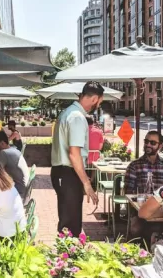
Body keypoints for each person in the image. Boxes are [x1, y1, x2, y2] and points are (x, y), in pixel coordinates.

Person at [51, 81, 104, 237]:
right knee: (70, 223)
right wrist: (86, 183)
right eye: (99, 102)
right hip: (67, 172)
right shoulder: (77, 117)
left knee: (68, 219)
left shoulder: (69, 112)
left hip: (63, 172)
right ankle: (67, 257)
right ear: (94, 99)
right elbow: (74, 154)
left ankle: (66, 256)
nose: (98, 106)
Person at [0, 131, 30, 199]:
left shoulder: (4, 153)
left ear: (2, 143)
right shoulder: (14, 149)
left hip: (18, 193)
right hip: (24, 191)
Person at [87, 117, 104, 183]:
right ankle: (92, 180)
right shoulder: (99, 131)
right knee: (94, 165)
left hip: (84, 159)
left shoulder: (81, 131)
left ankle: (85, 180)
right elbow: (100, 148)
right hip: (95, 159)